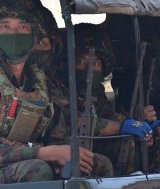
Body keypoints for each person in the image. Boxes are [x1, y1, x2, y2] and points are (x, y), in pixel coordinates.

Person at [0, 0, 113, 187]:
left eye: (22, 27)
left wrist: (63, 156)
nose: (14, 34)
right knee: (37, 171)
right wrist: (48, 153)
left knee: (96, 164)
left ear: (34, 35)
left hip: (14, 166)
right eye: (5, 27)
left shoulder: (37, 81)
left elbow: (56, 130)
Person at [44, 23, 157, 175]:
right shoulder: (52, 85)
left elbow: (107, 116)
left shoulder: (97, 92)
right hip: (61, 148)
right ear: (66, 62)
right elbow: (72, 120)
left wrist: (138, 122)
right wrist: (123, 125)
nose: (88, 68)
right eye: (81, 61)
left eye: (95, 63)